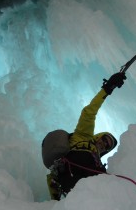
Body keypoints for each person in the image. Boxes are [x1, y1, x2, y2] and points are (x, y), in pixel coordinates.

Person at [46, 71, 126, 200]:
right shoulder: (84, 134)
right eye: (105, 139)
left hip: (79, 180)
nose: (104, 144)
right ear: (99, 136)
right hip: (75, 164)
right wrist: (107, 88)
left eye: (107, 146)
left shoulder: (98, 162)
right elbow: (89, 112)